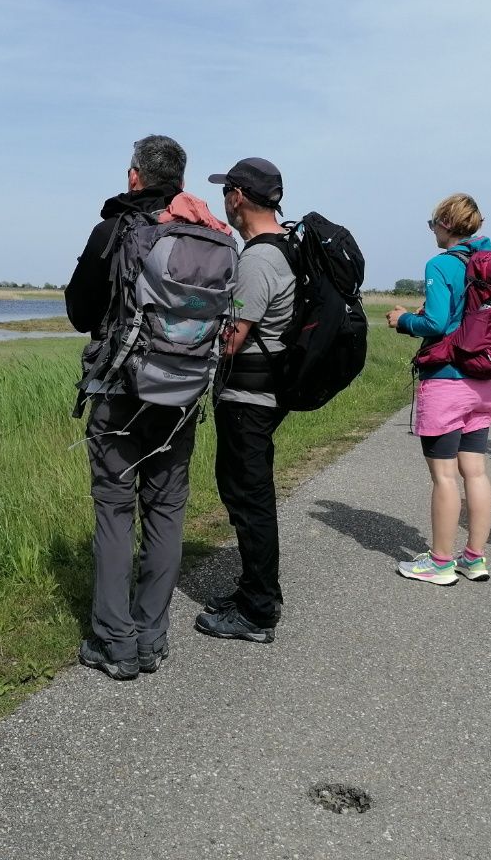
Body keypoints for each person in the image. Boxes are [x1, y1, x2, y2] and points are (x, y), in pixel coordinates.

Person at [65, 135, 198, 680]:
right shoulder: (206, 236)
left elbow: (79, 311)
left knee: (116, 511)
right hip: (183, 395)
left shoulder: (115, 230)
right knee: (166, 512)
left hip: (121, 395)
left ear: (134, 178)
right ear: (181, 183)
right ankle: (152, 637)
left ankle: (115, 643)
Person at [194, 158, 295, 643]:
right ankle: (254, 590)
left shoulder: (257, 259)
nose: (223, 201)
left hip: (248, 396)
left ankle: (257, 612)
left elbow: (233, 339)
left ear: (238, 197)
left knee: (250, 498)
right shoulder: (287, 247)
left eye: (225, 192)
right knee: (246, 494)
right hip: (268, 391)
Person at [387, 193, 491, 585]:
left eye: (433, 223)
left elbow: (435, 323)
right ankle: (474, 557)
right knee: (476, 472)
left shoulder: (441, 264)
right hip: (483, 382)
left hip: (447, 381)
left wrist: (402, 320)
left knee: (445, 477)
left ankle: (439, 562)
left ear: (446, 224)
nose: (432, 229)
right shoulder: (490, 265)